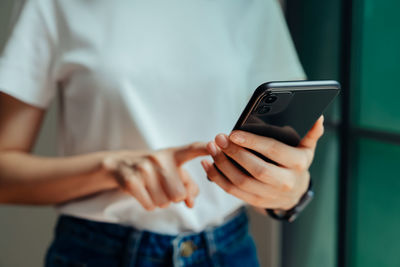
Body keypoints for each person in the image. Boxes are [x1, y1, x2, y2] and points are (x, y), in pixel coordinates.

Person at [0, 0, 324, 266]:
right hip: (96, 254)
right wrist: (110, 168)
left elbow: (275, 153)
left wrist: (289, 193)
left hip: (230, 252)